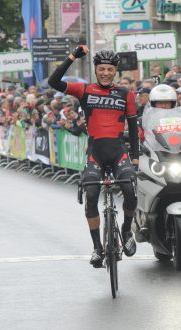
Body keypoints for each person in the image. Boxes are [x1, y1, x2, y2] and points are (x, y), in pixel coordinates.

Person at [48, 47, 139, 268]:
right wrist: (72, 56)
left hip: (119, 151)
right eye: (102, 69)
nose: (106, 73)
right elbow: (54, 81)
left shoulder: (126, 94)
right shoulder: (85, 90)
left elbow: (134, 128)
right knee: (90, 195)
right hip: (95, 154)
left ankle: (126, 232)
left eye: (110, 69)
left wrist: (135, 158)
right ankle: (97, 247)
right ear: (96, 70)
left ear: (115, 71)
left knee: (129, 188)